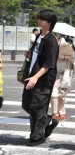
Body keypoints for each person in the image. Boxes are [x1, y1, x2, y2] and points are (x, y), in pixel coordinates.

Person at [22, 9, 59, 146]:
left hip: (43, 79)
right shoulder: (39, 37)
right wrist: (30, 54)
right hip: (32, 75)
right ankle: (47, 119)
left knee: (38, 107)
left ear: (49, 23)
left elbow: (49, 64)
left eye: (42, 19)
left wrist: (35, 77)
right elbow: (38, 56)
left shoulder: (52, 41)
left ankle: (37, 137)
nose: (39, 21)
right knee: (27, 103)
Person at [51, 38, 75, 121]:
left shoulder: (70, 51)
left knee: (56, 94)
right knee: (59, 95)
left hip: (63, 75)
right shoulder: (59, 49)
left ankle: (55, 113)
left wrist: (64, 57)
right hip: (59, 75)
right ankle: (61, 113)